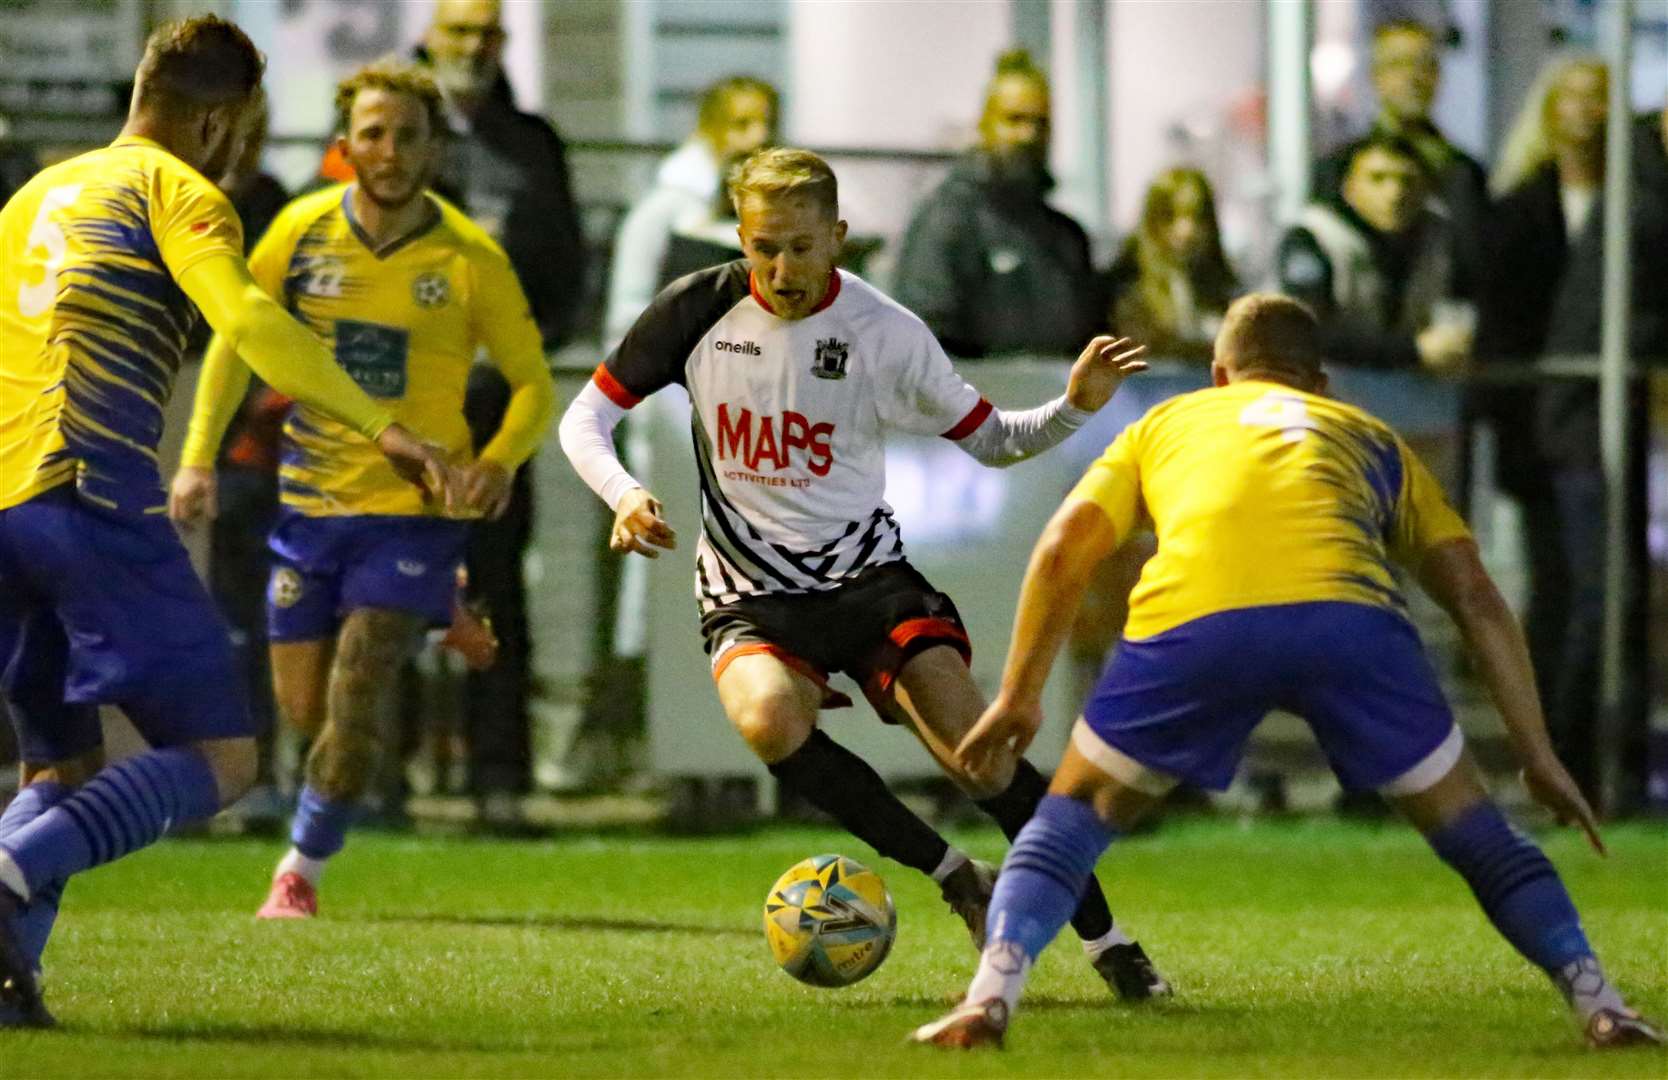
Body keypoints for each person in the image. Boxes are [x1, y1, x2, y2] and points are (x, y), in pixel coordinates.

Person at [909, 294, 1662, 1051]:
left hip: (1197, 621)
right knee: (1476, 834)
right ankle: (1600, 1002)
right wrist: (1535, 753)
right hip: (1348, 622)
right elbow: (1475, 595)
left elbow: (1063, 549)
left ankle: (990, 999)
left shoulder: (1166, 423)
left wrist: (1018, 695)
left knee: (1070, 821)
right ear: (1321, 384)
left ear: (1217, 375)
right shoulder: (1371, 436)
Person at [560, 147, 1168, 1001]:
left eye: (803, 247)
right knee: (769, 719)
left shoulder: (884, 330)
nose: (783, 268)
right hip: (748, 591)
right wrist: (623, 495)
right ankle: (956, 873)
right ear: (741, 236)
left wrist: (1074, 407)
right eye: (765, 246)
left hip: (867, 581)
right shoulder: (697, 310)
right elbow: (583, 420)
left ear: (838, 237)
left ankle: (1112, 942)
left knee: (980, 756)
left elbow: (993, 441)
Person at [0, 15, 451, 1026]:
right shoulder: (177, 190)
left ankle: (5, 982)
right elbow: (246, 323)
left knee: (59, 765)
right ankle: (8, 873)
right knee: (221, 759)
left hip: (4, 505)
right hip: (89, 493)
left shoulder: (34, 196)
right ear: (215, 123)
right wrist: (381, 428)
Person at [170, 60, 556, 919]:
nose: (389, 151)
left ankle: (298, 871)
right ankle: (441, 613)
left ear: (434, 149)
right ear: (346, 145)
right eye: (373, 134)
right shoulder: (300, 233)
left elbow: (533, 383)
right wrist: (197, 457)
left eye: (408, 135)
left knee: (360, 679)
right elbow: (235, 342)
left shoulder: (470, 257)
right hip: (310, 509)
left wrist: (496, 459)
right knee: (301, 710)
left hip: (416, 513)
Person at [1475, 58, 1666, 810]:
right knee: (1581, 600)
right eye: (1575, 98)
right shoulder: (1591, 202)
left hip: (1592, 421)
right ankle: (1569, 770)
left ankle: (1597, 769)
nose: (1587, 113)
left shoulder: (1632, 190)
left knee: (1598, 599)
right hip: (1561, 426)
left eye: (1601, 100)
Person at [418, 0, 585, 829]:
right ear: (430, 38)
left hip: (494, 404)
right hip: (398, 405)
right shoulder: (389, 128)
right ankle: (370, 778)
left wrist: (526, 350)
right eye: (459, 33)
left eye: (487, 34)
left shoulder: (533, 145)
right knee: (381, 580)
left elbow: (566, 264)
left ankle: (498, 780)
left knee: (496, 591)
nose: (475, 48)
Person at [892, 49, 1101, 358]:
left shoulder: (1067, 238)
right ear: (984, 125)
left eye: (1040, 123)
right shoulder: (946, 224)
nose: (1028, 134)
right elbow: (923, 340)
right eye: (1014, 119)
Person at [605, 75, 778, 348]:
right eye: (742, 124)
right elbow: (630, 303)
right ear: (710, 127)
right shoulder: (667, 204)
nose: (761, 137)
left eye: (768, 124)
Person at [1311, 19, 1487, 284]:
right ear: (1375, 75)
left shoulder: (1464, 173)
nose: (1412, 77)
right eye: (1398, 64)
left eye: (1424, 65)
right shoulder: (1339, 167)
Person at [1279, 134, 1471, 375]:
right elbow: (1304, 331)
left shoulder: (1440, 237)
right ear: (1349, 186)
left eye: (1408, 180)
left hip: (1417, 397)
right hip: (1329, 388)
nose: (1395, 193)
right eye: (1377, 179)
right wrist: (1412, 350)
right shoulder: (1314, 236)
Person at [1106, 167, 1238, 365]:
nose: (1187, 230)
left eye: (1198, 218)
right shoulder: (1127, 290)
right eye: (1170, 217)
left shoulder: (1222, 289)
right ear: (1152, 222)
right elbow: (1147, 351)